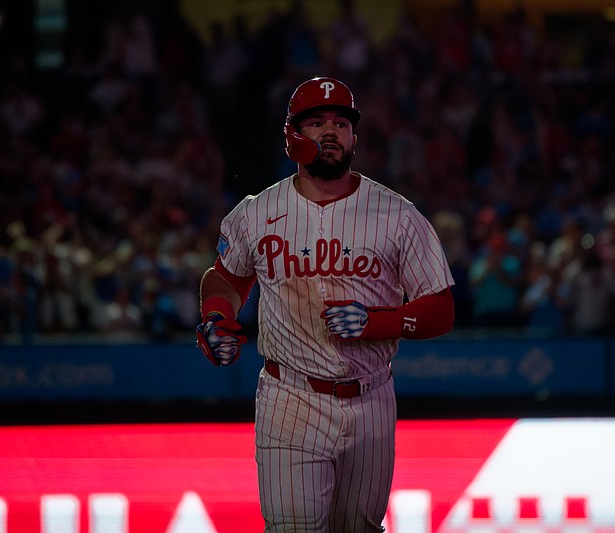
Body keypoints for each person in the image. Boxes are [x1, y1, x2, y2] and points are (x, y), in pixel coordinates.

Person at [195, 76, 455, 532]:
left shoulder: (397, 214)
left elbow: (441, 310)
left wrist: (377, 322)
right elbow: (225, 278)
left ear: (355, 136)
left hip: (372, 393)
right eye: (316, 123)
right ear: (293, 136)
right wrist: (217, 316)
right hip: (289, 395)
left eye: (341, 122)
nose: (330, 132)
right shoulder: (257, 211)